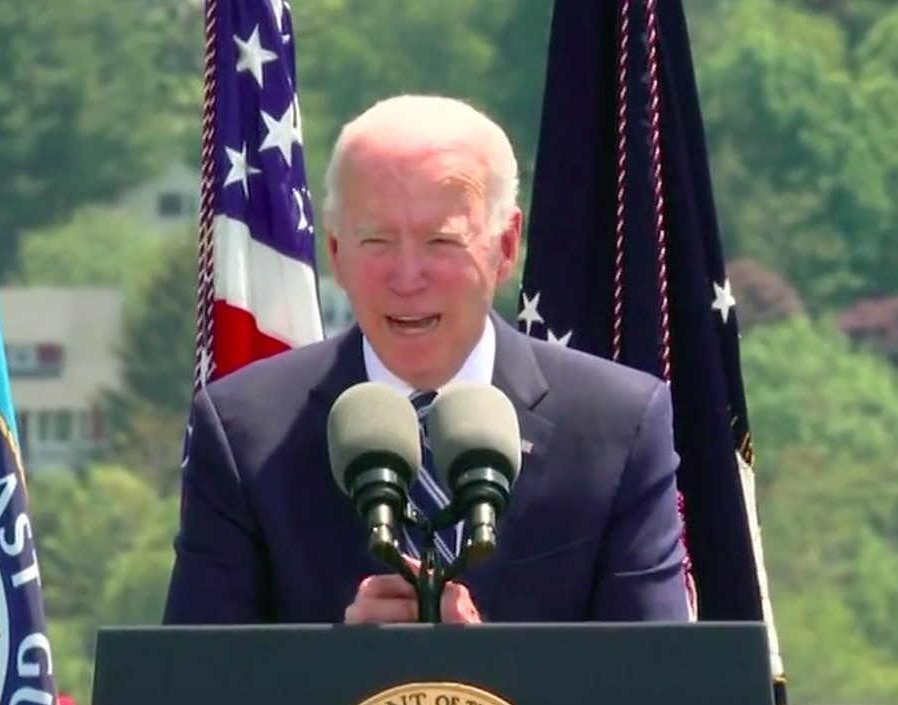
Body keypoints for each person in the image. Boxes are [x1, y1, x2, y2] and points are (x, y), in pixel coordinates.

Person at [162, 95, 690, 624]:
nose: (407, 276)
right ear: (336, 252)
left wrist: (483, 674)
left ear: (505, 247)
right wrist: (337, 662)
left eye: (441, 241)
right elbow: (191, 680)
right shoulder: (244, 432)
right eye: (376, 241)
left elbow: (659, 677)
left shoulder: (617, 425)